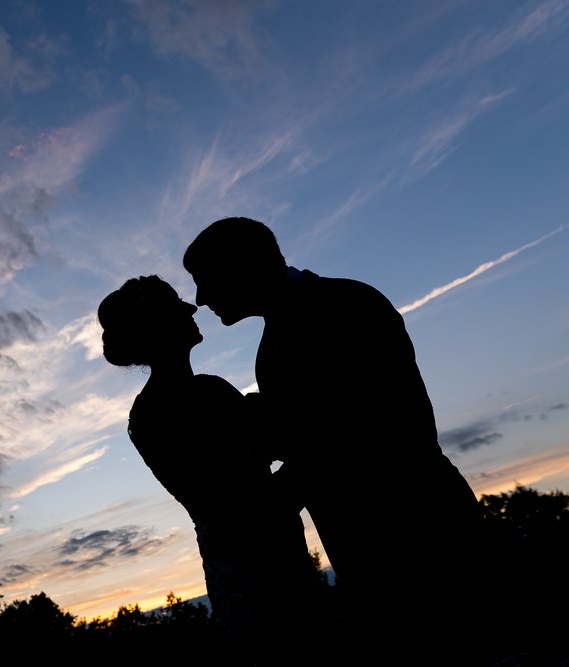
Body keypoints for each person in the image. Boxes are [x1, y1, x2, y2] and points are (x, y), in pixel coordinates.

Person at [183, 217, 485, 662]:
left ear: (243, 266)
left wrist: (267, 499)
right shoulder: (269, 347)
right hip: (360, 550)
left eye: (205, 280)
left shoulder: (348, 303)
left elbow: (375, 428)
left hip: (421, 530)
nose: (201, 298)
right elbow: (308, 432)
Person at [98, 275, 324, 662]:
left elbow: (272, 442)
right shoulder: (164, 411)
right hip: (255, 569)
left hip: (261, 556)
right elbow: (239, 502)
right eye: (176, 308)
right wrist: (322, 453)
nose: (191, 310)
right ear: (157, 328)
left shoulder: (199, 393)